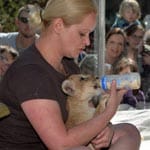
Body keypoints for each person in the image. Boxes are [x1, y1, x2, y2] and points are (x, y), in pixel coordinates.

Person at [0, 0, 141, 150]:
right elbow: (61, 144)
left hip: (66, 139)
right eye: (82, 33)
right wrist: (108, 113)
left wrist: (105, 129)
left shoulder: (67, 63)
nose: (87, 42)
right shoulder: (30, 72)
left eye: (89, 34)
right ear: (58, 25)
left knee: (129, 133)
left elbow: (80, 117)